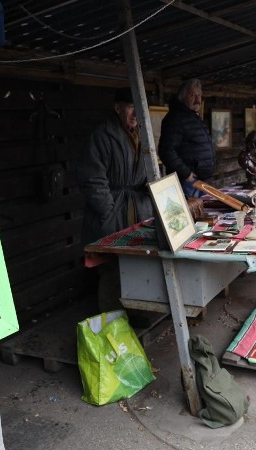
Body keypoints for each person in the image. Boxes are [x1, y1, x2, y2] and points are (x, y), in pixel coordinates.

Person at [76, 88, 154, 310]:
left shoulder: (143, 135)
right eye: (131, 106)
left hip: (138, 209)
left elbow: (151, 170)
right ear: (117, 108)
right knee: (112, 270)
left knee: (136, 266)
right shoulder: (103, 136)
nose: (136, 113)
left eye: (139, 107)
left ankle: (130, 314)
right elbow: (92, 178)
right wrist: (108, 212)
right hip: (114, 211)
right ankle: (110, 323)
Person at [158, 78, 215, 197]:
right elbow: (166, 151)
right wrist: (186, 174)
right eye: (193, 95)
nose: (198, 100)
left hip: (201, 182)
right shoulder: (175, 118)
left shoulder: (193, 117)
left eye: (199, 95)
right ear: (182, 96)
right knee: (192, 215)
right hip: (188, 184)